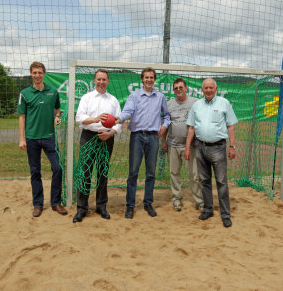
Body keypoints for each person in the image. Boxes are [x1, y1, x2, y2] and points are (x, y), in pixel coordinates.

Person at [115, 67, 171, 219]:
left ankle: (148, 203)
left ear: (154, 79)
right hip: (137, 137)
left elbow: (167, 115)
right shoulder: (134, 96)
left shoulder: (160, 97)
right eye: (146, 77)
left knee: (150, 173)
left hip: (153, 138)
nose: (149, 80)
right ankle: (130, 206)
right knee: (133, 172)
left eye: (151, 77)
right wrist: (119, 119)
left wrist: (165, 125)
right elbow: (128, 111)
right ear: (142, 79)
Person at [184, 78, 237, 228]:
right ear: (202, 89)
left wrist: (232, 146)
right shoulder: (196, 105)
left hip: (218, 148)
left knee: (221, 182)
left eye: (210, 88)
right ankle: (208, 209)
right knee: (204, 181)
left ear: (216, 88)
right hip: (200, 147)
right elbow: (191, 128)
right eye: (205, 88)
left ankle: (225, 215)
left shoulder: (224, 103)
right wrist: (188, 147)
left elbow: (231, 126)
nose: (208, 90)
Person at [18, 61, 67, 218]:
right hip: (31, 138)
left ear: (44, 73)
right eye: (34, 73)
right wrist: (21, 139)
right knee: (35, 172)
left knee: (57, 168)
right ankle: (38, 204)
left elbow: (58, 110)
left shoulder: (53, 92)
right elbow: (21, 117)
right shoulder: (24, 93)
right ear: (31, 74)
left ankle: (55, 202)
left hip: (49, 137)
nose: (37, 75)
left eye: (40, 72)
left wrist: (57, 117)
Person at [72, 69, 122, 223]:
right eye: (99, 79)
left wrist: (111, 132)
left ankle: (101, 206)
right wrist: (95, 119)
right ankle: (81, 208)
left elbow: (119, 121)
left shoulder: (113, 100)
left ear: (108, 81)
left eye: (104, 79)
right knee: (85, 172)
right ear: (94, 80)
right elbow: (79, 118)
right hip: (88, 136)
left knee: (102, 173)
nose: (101, 82)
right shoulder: (87, 98)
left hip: (106, 138)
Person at [161, 78, 203, 212]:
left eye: (181, 87)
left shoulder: (195, 103)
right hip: (172, 144)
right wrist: (163, 141)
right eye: (176, 88)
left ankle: (199, 201)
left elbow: (200, 122)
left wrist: (197, 138)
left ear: (186, 88)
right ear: (173, 90)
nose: (178, 90)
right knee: (174, 173)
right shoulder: (168, 104)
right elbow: (166, 124)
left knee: (195, 175)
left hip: (190, 146)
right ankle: (176, 199)